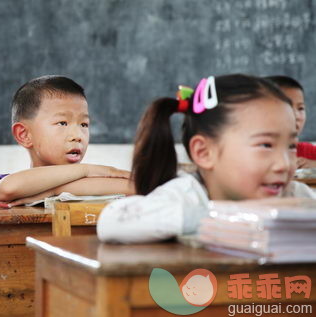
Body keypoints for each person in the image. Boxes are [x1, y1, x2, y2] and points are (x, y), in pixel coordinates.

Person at [97, 74, 315, 244]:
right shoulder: (188, 195)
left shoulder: (294, 193)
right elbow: (112, 222)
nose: (285, 164)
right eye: (266, 145)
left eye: (291, 146)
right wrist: (235, 214)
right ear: (204, 153)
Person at [0, 75, 134, 207]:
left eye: (84, 124)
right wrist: (88, 170)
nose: (78, 135)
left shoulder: (91, 181)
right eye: (62, 123)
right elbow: (9, 189)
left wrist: (52, 191)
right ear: (24, 134)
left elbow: (136, 187)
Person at [265, 75, 316, 168]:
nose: (296, 116)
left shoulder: (308, 152)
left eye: (300, 108)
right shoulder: (253, 154)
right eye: (287, 107)